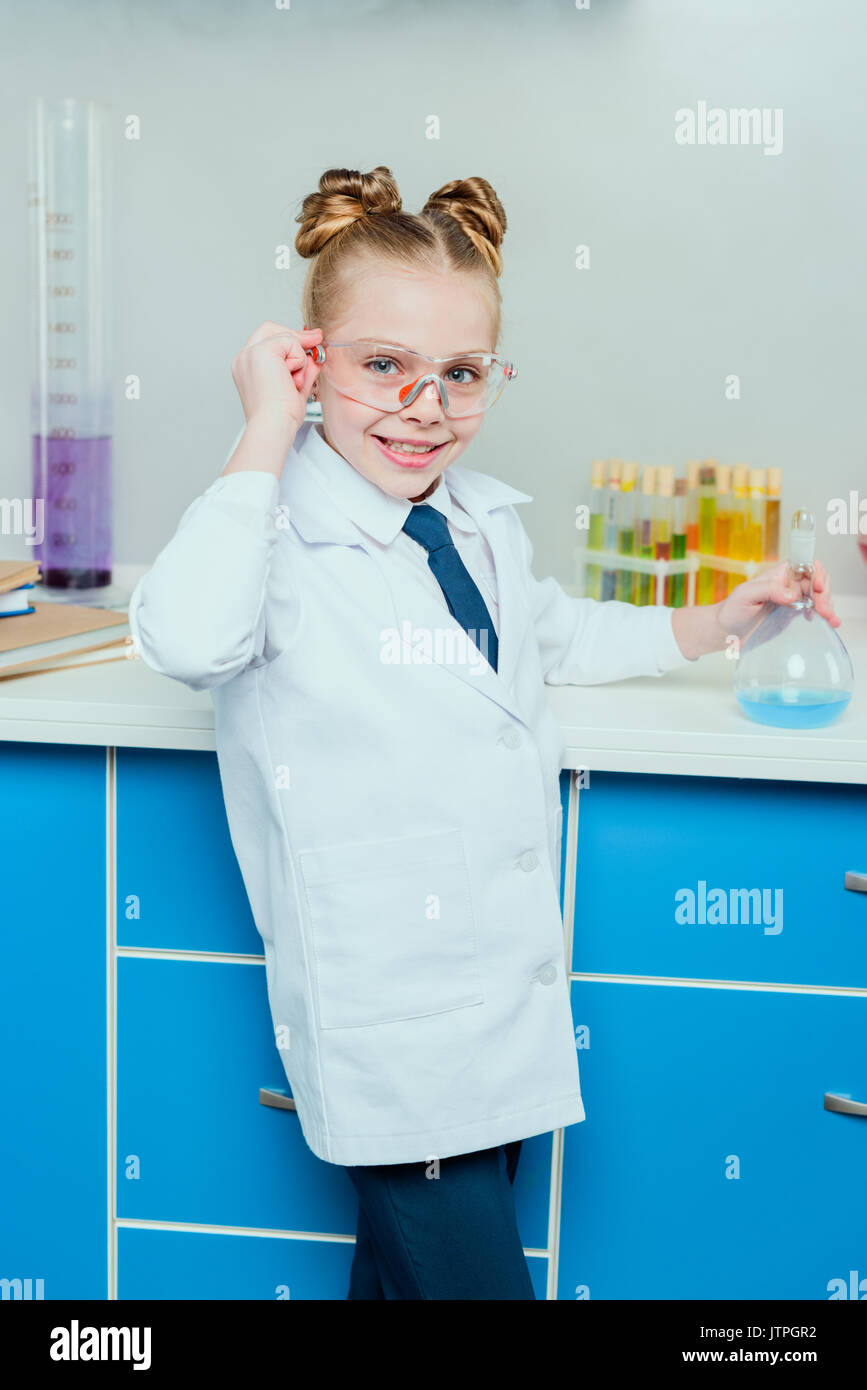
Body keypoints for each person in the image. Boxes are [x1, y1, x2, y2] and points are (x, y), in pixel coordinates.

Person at [128, 165, 839, 1300]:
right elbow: (186, 635)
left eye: (460, 375)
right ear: (311, 359)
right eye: (382, 366)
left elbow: (550, 636)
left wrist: (714, 620)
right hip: (394, 1025)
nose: (425, 406)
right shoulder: (272, 534)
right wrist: (265, 424)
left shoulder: (477, 523)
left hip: (497, 1010)